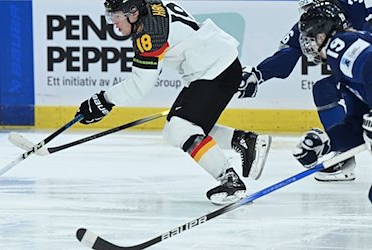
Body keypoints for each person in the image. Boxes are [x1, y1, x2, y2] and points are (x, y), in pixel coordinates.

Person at [74, 0, 272, 205]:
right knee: (176, 129)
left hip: (215, 72)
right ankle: (243, 141)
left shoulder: (150, 33)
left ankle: (229, 180)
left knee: (180, 129)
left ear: (133, 12)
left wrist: (103, 101)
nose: (113, 22)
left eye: (116, 16)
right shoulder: (151, 7)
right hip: (213, 66)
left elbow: (138, 88)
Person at [239, 0, 371, 182]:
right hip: (357, 69)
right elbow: (291, 50)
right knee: (325, 89)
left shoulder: (351, 21)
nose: (309, 12)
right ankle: (343, 154)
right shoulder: (320, 22)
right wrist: (259, 74)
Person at [294, 1, 372, 203]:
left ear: (322, 35)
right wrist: (327, 143)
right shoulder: (344, 70)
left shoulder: (340, 45)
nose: (309, 46)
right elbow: (356, 127)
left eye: (310, 39)